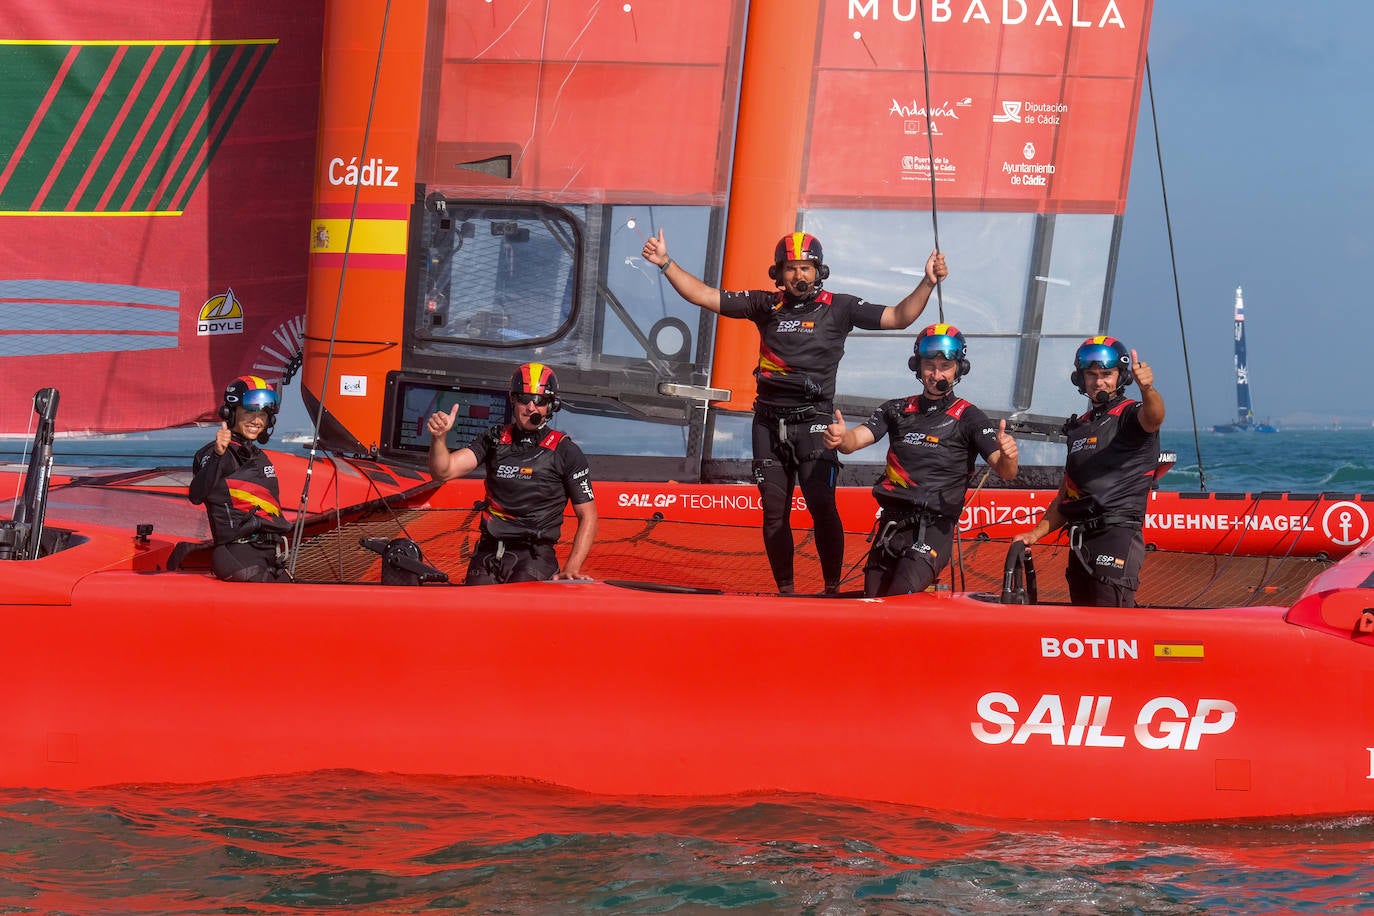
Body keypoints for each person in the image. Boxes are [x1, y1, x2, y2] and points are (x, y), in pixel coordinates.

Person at [642, 228, 947, 594]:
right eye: (791, 268)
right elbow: (706, 296)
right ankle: (786, 592)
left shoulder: (840, 307)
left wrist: (927, 283)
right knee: (773, 517)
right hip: (767, 423)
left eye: (806, 268)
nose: (799, 275)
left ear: (819, 271)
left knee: (822, 508)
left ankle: (831, 588)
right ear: (779, 273)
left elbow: (899, 316)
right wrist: (666, 264)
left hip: (814, 423)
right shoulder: (765, 305)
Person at [825, 324, 1019, 597]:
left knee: (897, 598)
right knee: (871, 605)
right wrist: (840, 437)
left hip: (933, 530)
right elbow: (856, 439)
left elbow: (1006, 471)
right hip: (890, 527)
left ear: (959, 369)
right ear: (917, 366)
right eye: (929, 365)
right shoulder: (895, 409)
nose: (936, 374)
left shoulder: (970, 417)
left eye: (945, 366)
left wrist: (1009, 454)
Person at [1012, 336, 1165, 607]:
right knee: (1083, 624)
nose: (1098, 382)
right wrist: (1035, 534)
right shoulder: (1079, 426)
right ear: (1080, 379)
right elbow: (1067, 494)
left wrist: (1148, 389)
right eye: (1091, 375)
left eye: (1106, 374)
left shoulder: (1131, 414)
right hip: (1080, 540)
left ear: (1122, 376)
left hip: (1116, 535)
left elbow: (1154, 418)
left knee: (1110, 625)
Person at [427, 362, 596, 584]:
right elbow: (443, 471)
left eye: (540, 401)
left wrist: (571, 568)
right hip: (488, 552)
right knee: (471, 611)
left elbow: (589, 516)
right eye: (525, 399)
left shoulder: (566, 451)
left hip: (534, 557)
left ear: (551, 406)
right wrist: (439, 438)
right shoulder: (493, 439)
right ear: (513, 400)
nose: (531, 407)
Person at [189, 375, 293, 582]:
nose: (256, 420)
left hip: (270, 556)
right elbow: (196, 494)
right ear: (231, 413)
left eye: (263, 414)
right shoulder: (218, 454)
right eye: (249, 413)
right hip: (239, 555)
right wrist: (218, 455)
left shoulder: (259, 456)